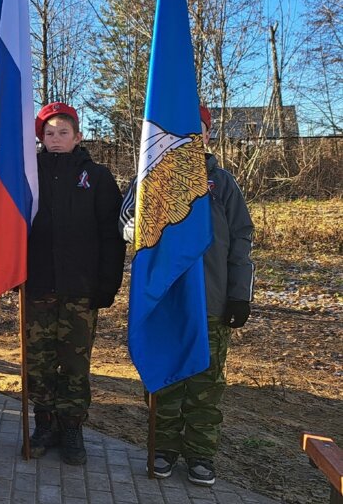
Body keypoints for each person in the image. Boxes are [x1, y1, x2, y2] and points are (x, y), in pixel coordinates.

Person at [119, 105, 254, 487]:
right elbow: (127, 223)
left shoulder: (222, 184)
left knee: (205, 384)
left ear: (208, 136)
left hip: (210, 303)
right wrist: (146, 231)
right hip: (165, 302)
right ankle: (162, 448)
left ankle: (200, 453)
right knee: (165, 378)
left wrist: (239, 295)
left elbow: (241, 240)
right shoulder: (149, 179)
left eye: (199, 131)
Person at [24, 102, 125, 465]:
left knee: (74, 364)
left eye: (63, 132)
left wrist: (108, 283)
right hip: (37, 287)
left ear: (77, 136)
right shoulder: (28, 173)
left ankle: (71, 428)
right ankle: (44, 424)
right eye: (49, 134)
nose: (55, 139)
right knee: (39, 362)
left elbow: (111, 236)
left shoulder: (97, 177)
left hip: (79, 289)